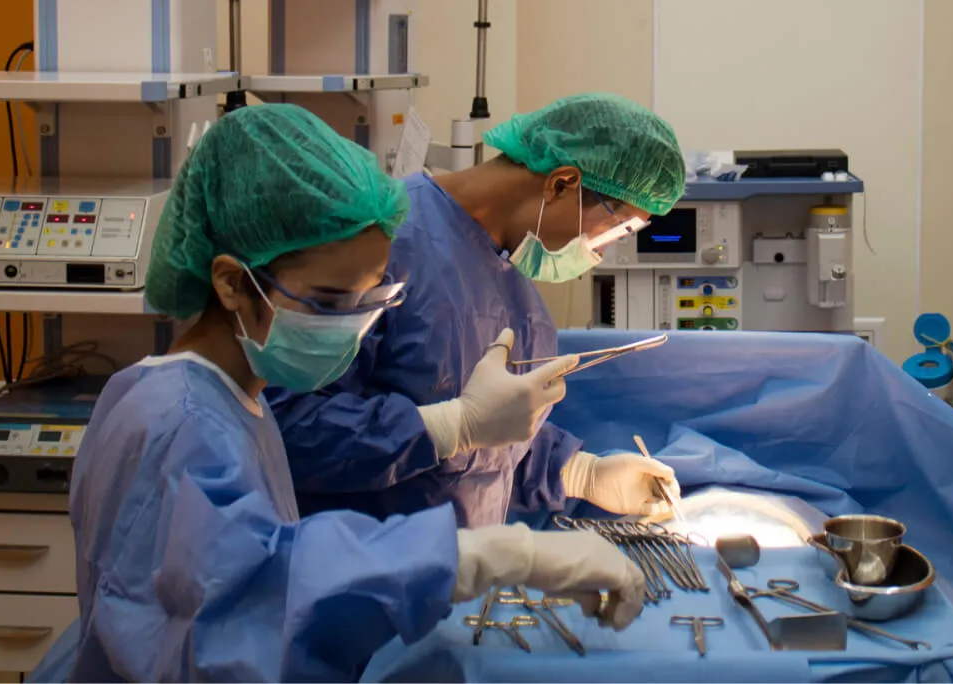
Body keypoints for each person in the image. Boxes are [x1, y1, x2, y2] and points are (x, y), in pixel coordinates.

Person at [63, 104, 646, 682]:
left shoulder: (226, 401)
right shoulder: (181, 426)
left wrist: (576, 473)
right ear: (234, 282)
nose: (356, 324)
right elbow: (261, 600)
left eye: (374, 300)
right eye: (332, 301)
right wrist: (495, 557)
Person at [268, 93, 689, 528]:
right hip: (363, 568)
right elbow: (284, 430)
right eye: (618, 229)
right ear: (561, 183)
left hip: (461, 575)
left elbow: (487, 446)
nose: (601, 250)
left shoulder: (511, 279)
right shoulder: (382, 248)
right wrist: (452, 426)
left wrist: (579, 473)